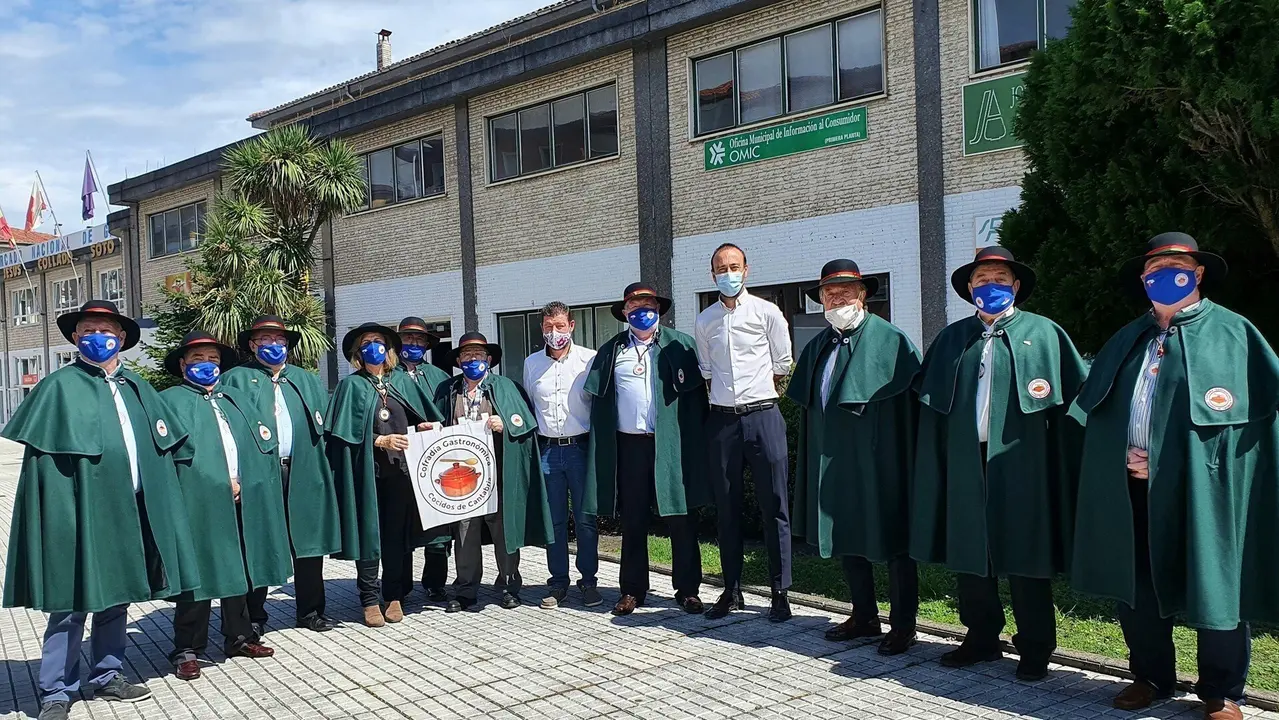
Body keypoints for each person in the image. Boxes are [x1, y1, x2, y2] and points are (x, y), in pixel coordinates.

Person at [1070, 233, 1279, 720]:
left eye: (1175, 264)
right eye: (1154, 268)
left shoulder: (1234, 333)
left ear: (1198, 272)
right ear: (1144, 280)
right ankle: (1151, 676)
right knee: (1137, 582)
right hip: (1133, 486)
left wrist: (1168, 460)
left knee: (1217, 581)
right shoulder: (1128, 337)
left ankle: (1223, 691)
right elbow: (1098, 413)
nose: (1163, 273)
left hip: (1205, 489)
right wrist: (1121, 455)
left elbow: (1250, 427)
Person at [2, 300, 199, 720]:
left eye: (107, 330)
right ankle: (57, 689)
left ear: (122, 339)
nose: (99, 336)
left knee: (117, 598)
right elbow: (44, 468)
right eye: (88, 329)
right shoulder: (58, 387)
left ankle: (108, 674)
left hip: (131, 510)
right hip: (80, 510)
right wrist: (58, 517)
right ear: (75, 337)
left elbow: (172, 446)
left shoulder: (138, 387)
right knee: (71, 602)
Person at [911, 247, 1087, 680]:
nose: (992, 286)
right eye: (983, 279)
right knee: (972, 552)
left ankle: (1035, 645)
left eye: (1000, 278)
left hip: (1024, 463)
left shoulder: (1045, 334)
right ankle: (981, 636)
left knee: (1027, 553)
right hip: (966, 462)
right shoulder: (953, 338)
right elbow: (929, 409)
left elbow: (1077, 406)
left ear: (1016, 285)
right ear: (970, 288)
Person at [785, 261, 921, 656]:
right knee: (845, 535)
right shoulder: (820, 344)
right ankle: (864, 615)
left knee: (894, 540)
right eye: (829, 293)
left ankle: (904, 625)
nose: (837, 298)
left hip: (881, 460)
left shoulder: (891, 340)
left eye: (845, 291)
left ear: (863, 295)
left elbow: (909, 409)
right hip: (835, 459)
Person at [162, 331, 292, 681]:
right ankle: (188, 648)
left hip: (244, 496)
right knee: (200, 571)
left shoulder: (231, 399)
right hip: (199, 501)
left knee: (242, 567)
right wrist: (219, 483)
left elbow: (253, 444)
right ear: (183, 364)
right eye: (199, 359)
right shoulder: (171, 401)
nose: (208, 365)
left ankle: (239, 635)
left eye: (214, 360)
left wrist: (247, 482)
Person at [584, 282, 709, 617]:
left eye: (648, 305)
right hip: (629, 446)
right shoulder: (610, 351)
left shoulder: (681, 346)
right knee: (634, 519)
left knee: (680, 517)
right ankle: (632, 590)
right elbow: (598, 403)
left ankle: (688, 590)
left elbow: (698, 405)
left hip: (670, 444)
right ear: (624, 312)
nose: (642, 311)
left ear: (659, 309)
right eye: (634, 306)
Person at [222, 315, 343, 635]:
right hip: (260, 473)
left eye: (279, 340)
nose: (273, 346)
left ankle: (311, 612)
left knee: (309, 544)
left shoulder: (305, 379)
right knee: (258, 540)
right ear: (252, 344)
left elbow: (324, 430)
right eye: (265, 340)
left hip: (303, 469)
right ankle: (253, 616)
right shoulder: (235, 378)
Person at [694, 243, 794, 621]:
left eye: (734, 266)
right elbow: (706, 371)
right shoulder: (705, 321)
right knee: (727, 510)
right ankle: (731, 590)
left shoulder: (768, 313)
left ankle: (780, 592)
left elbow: (782, 362)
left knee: (775, 507)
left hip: (764, 416)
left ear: (746, 270)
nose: (728, 273)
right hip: (722, 422)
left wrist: (757, 393)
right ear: (712, 274)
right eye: (721, 268)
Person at [326, 322, 441, 627]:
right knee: (369, 536)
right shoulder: (351, 386)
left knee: (395, 537)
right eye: (366, 342)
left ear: (389, 349)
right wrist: (380, 439)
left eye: (378, 341)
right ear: (357, 352)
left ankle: (393, 596)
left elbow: (419, 418)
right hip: (368, 474)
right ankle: (368, 598)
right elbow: (342, 434)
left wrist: (424, 427)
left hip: (401, 475)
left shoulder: (400, 381)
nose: (373, 347)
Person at [433, 332, 553, 612]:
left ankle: (509, 585)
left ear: (488, 359)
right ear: (459, 360)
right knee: (465, 531)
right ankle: (465, 589)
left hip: (498, 472)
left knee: (503, 530)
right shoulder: (448, 390)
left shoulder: (506, 387)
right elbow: (435, 423)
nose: (472, 360)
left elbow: (525, 422)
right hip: (462, 477)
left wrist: (506, 425)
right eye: (466, 355)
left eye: (478, 355)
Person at [522, 302, 601, 609]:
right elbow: (529, 405)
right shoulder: (531, 364)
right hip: (548, 451)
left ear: (571, 326)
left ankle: (589, 581)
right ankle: (557, 583)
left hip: (580, 448)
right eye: (547, 328)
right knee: (553, 522)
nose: (553, 333)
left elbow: (597, 406)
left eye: (559, 326)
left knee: (585, 520)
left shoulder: (588, 360)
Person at [393, 316, 455, 602]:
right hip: (400, 463)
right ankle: (400, 586)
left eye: (419, 340)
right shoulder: (388, 374)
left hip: (436, 462)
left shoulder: (440, 378)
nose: (414, 344)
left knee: (438, 527)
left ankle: (435, 582)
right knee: (403, 527)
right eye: (408, 339)